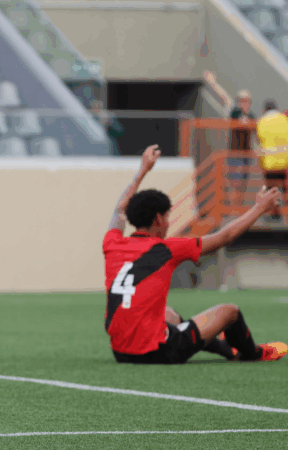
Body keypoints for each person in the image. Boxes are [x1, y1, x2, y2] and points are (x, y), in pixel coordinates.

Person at [103, 144, 287, 365]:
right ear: (159, 220)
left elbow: (119, 210)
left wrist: (142, 170)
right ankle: (254, 354)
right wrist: (259, 208)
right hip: (157, 352)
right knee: (230, 312)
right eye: (168, 217)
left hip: (120, 351)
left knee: (168, 314)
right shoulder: (168, 249)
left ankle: (226, 350)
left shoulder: (112, 243)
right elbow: (224, 237)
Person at [255, 99, 288, 221]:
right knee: (285, 188)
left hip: (269, 162)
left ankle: (276, 213)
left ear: (265, 109)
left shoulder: (261, 121)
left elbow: (259, 140)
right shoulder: (284, 119)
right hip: (285, 161)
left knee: (272, 189)